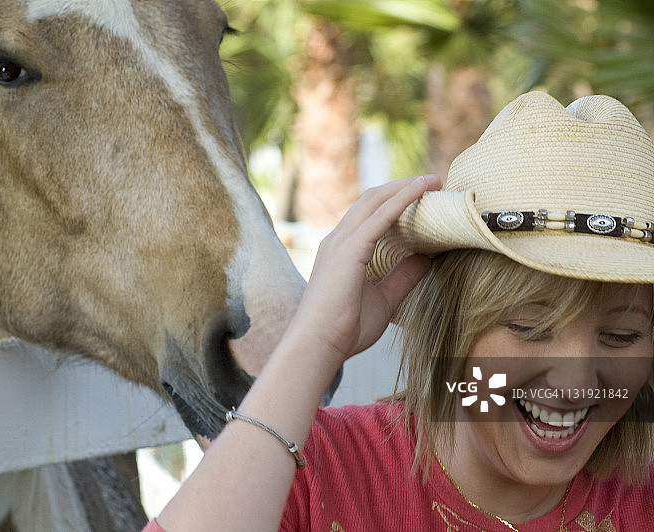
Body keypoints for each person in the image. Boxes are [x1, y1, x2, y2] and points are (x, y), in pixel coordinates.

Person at [144, 91, 654, 531]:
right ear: (449, 324)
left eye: (622, 336)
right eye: (529, 326)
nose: (575, 381)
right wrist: (314, 343)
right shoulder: (308, 470)